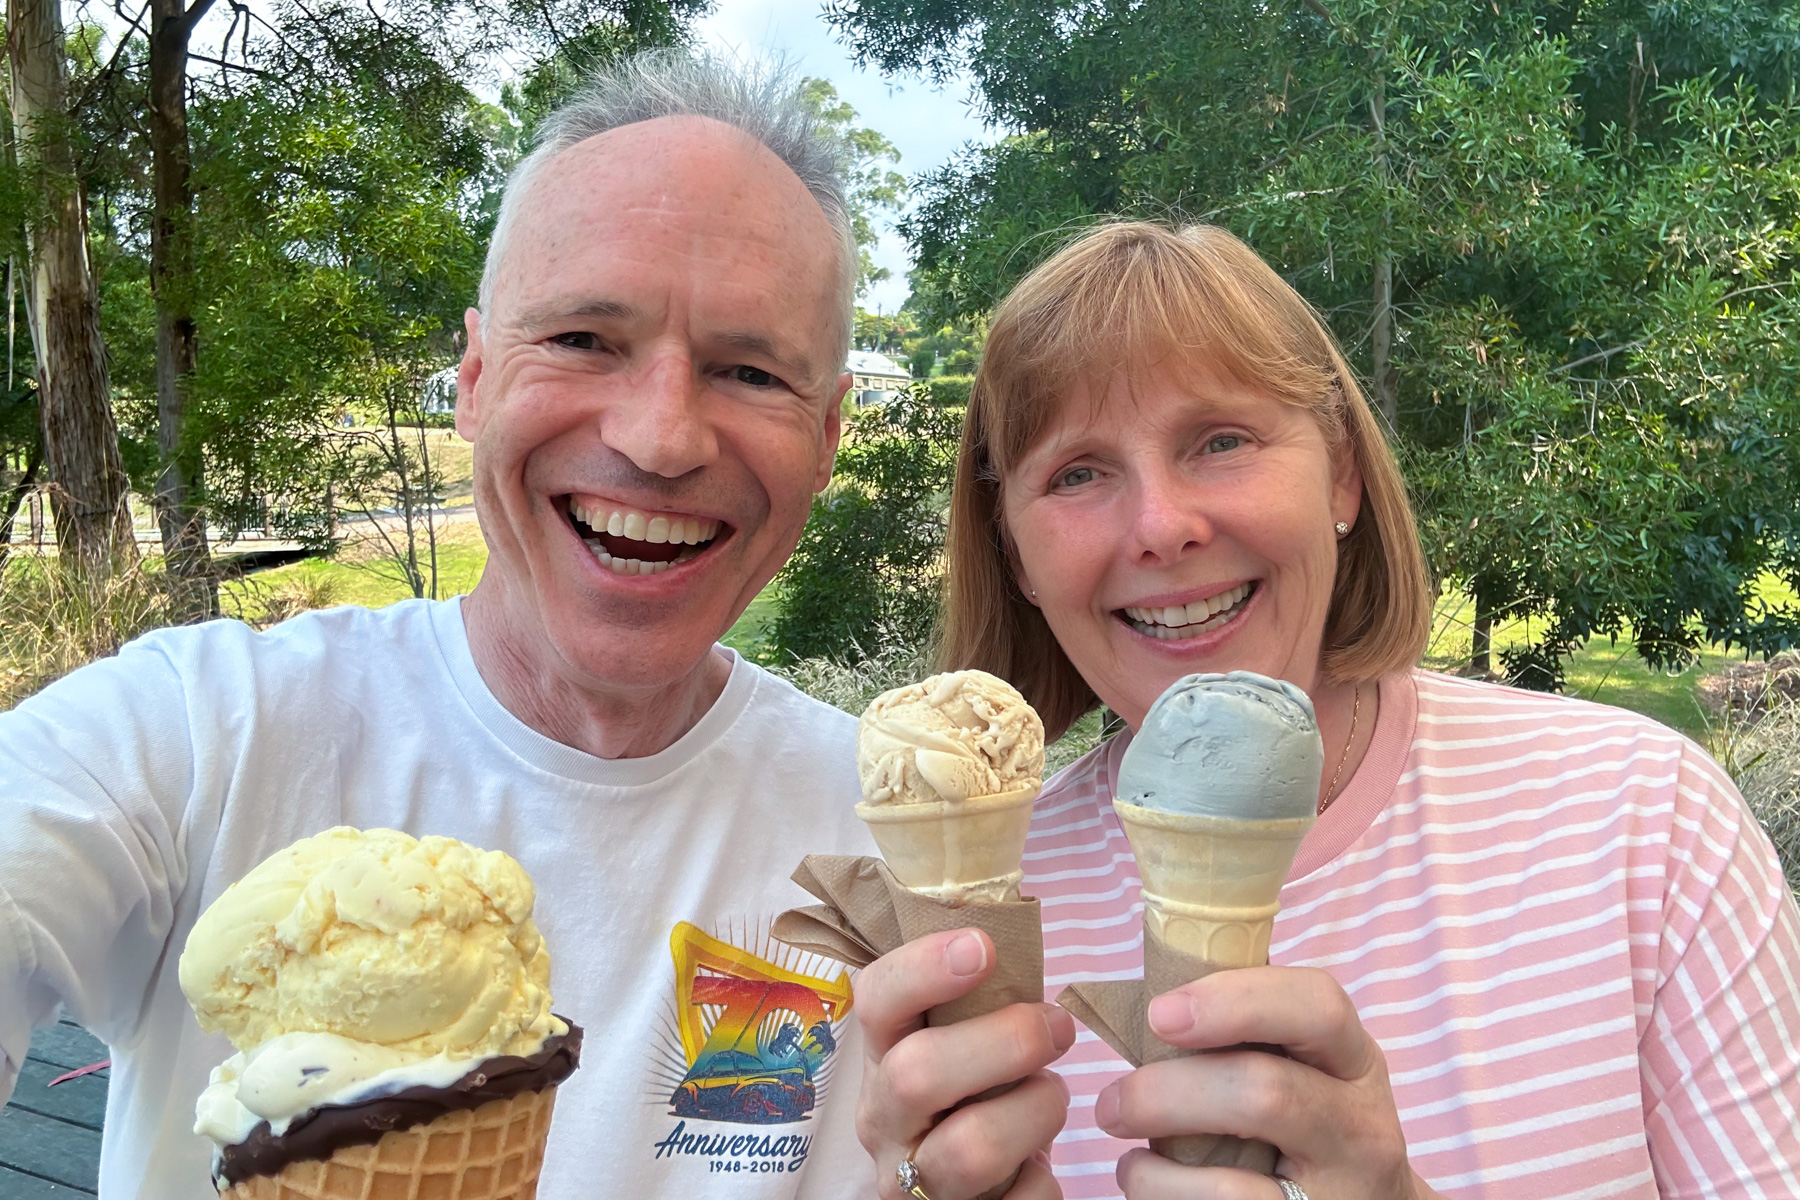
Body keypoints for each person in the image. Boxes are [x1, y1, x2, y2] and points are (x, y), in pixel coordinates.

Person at [0, 53, 885, 1199]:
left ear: (826, 435)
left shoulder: (883, 833)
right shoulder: (203, 729)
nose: (664, 437)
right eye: (581, 340)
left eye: (751, 370)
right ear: (473, 379)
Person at [856, 221, 1800, 1200]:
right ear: (1016, 556)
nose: (1162, 528)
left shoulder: (1647, 823)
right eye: (1078, 474)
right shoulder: (970, 935)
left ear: (1340, 473)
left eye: (1220, 441)